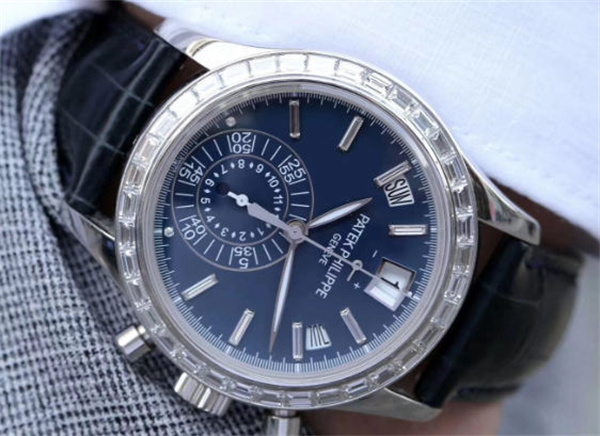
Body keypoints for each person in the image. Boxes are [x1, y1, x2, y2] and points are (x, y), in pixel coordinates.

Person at [0, 3, 597, 435]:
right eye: (293, 232)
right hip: (83, 152)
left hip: (512, 286)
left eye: (294, 232)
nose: (294, 232)